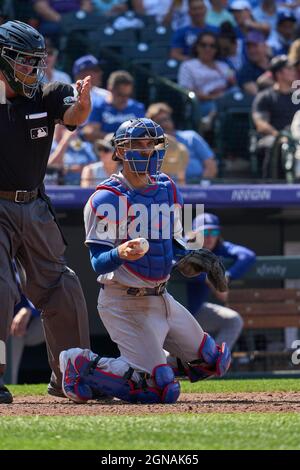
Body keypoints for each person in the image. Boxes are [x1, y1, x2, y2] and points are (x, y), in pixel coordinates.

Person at [59, 117, 231, 404]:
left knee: (212, 362)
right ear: (121, 151)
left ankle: (140, 369)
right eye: (138, 144)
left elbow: (175, 244)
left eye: (151, 143)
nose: (147, 150)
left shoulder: (167, 187)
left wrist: (194, 258)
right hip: (125, 302)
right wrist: (120, 253)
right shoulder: (105, 198)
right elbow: (98, 262)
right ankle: (82, 365)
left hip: (163, 299)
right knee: (160, 390)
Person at [0, 20, 91, 404]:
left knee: (62, 287)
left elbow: (73, 116)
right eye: (24, 62)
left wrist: (83, 104)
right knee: (1, 289)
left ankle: (71, 376)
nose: (33, 71)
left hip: (34, 204)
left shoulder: (48, 93)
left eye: (37, 62)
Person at [185, 213, 256, 350]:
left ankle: (213, 362)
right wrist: (208, 278)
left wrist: (227, 276)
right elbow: (175, 261)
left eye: (214, 231)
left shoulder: (219, 248)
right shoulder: (184, 246)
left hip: (195, 310)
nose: (210, 236)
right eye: (205, 232)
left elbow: (247, 255)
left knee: (233, 321)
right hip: (171, 313)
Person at [252, 54, 300, 177]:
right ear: (279, 74)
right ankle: (272, 185)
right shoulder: (265, 96)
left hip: (297, 137)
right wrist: (280, 137)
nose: (294, 72)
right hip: (274, 137)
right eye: (289, 69)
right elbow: (261, 124)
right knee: (274, 144)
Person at [146, 102, 217, 183]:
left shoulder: (191, 137)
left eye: (166, 119)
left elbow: (211, 166)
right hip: (167, 190)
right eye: (158, 122)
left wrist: (200, 188)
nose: (164, 124)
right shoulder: (150, 147)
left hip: (196, 187)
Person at [178, 30, 236, 118]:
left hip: (225, 98)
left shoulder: (224, 65)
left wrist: (231, 82)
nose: (207, 49)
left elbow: (234, 81)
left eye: (212, 46)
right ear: (197, 47)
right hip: (202, 104)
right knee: (219, 108)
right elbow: (187, 92)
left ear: (216, 49)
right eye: (203, 45)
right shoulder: (187, 66)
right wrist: (213, 97)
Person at [87, 70, 145, 136]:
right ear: (110, 89)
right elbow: (90, 133)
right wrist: (112, 137)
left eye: (128, 95)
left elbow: (143, 133)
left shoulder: (137, 107)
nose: (125, 99)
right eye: (120, 95)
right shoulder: (99, 106)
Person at [237, 31, 270, 96]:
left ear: (265, 46)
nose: (252, 50)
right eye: (249, 48)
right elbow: (257, 94)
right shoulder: (245, 71)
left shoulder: (276, 62)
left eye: (255, 46)